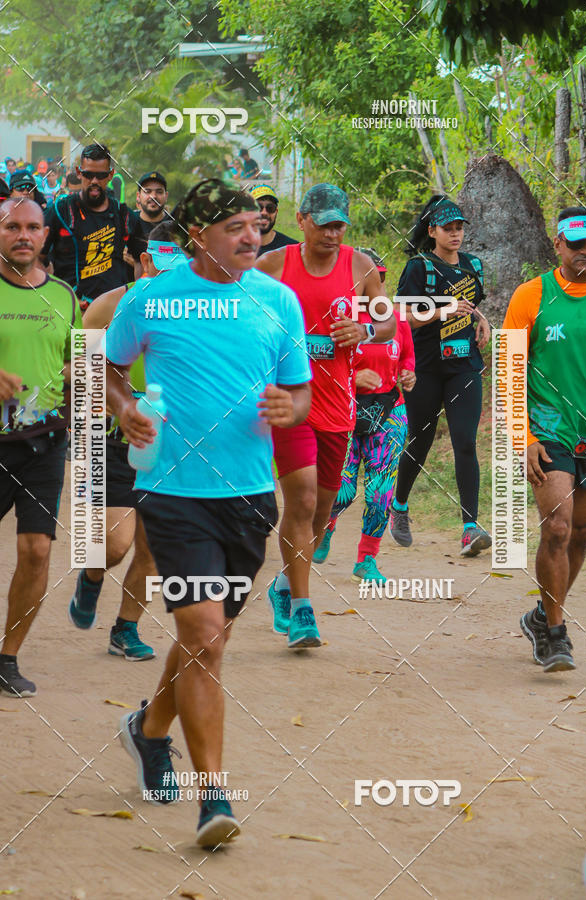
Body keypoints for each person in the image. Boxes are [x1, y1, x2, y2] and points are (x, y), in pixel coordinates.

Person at [105, 178, 311, 847]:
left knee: (204, 639)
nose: (253, 237)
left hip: (250, 498)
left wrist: (291, 409)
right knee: (206, 635)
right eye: (235, 228)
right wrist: (125, 408)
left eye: (255, 225)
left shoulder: (278, 301)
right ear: (198, 236)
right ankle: (213, 799)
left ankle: (149, 730)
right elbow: (106, 365)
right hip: (174, 491)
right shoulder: (151, 297)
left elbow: (301, 392)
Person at [257, 184, 396, 648]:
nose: (334, 233)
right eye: (326, 223)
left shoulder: (359, 266)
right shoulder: (276, 265)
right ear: (303, 220)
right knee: (300, 501)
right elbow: (242, 314)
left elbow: (388, 321)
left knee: (324, 510)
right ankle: (302, 610)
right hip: (292, 402)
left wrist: (364, 328)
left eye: (341, 225)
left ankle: (282, 584)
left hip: (339, 404)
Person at [67, 222, 186, 659]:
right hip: (112, 442)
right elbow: (79, 375)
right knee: (114, 545)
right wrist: (113, 412)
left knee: (154, 548)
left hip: (167, 444)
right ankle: (92, 576)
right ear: (140, 259)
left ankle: (125, 629)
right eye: (158, 267)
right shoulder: (105, 308)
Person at [507, 207, 586, 672]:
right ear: (557, 245)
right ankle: (556, 636)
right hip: (550, 429)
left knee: (583, 532)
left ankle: (542, 613)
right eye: (578, 245)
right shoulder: (531, 295)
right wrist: (522, 436)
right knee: (559, 527)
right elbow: (508, 370)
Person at [0, 198, 82, 697]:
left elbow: (80, 362)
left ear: (45, 237)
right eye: (12, 227)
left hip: (45, 443)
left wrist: (86, 386)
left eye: (32, 228)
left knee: (36, 551)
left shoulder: (65, 297)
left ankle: (7, 658)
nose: (22, 235)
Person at [389, 195, 491, 556]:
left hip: (464, 365)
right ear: (432, 231)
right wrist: (441, 312)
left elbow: (472, 304)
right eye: (448, 228)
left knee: (465, 441)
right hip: (426, 367)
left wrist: (481, 320)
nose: (456, 234)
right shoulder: (419, 268)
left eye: (460, 228)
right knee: (420, 440)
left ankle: (469, 528)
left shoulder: (473, 266)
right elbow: (401, 318)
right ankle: (399, 506)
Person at [314, 248, 416, 582]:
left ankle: (366, 559)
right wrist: (353, 377)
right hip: (343, 407)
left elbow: (407, 358)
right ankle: (325, 527)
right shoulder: (339, 318)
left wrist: (408, 375)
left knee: (380, 493)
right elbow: (318, 364)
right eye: (367, 279)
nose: (376, 285)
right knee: (341, 490)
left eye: (382, 278)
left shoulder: (396, 319)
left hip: (390, 411)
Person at [41, 143, 133, 310]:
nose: (94, 181)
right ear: (79, 173)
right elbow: (37, 258)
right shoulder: (61, 211)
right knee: (82, 338)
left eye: (101, 175)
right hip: (71, 311)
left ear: (111, 175)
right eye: (88, 175)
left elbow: (147, 258)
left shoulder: (122, 213)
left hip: (111, 314)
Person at [126, 171, 169, 276]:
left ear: (166, 196)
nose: (153, 196)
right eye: (147, 191)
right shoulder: (127, 224)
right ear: (138, 196)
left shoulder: (174, 227)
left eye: (159, 192)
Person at [249, 184, 298, 256]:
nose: (264, 213)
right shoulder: (235, 247)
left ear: (276, 212)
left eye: (270, 208)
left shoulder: (291, 249)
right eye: (258, 207)